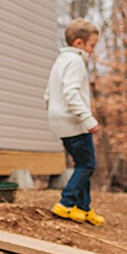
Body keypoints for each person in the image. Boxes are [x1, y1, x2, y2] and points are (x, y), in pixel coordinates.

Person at [45, 19, 103, 226]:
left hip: (60, 121)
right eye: (92, 45)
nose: (93, 50)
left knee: (82, 165)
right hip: (74, 122)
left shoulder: (60, 61)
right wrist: (87, 119)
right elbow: (71, 93)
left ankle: (83, 208)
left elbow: (48, 93)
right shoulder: (76, 62)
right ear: (79, 43)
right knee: (87, 165)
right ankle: (66, 202)